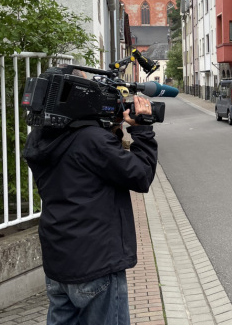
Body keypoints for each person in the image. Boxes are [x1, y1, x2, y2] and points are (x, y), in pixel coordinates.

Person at [24, 95, 158, 325]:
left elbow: (86, 166)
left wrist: (111, 130)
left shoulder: (40, 137)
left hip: (59, 261)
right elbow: (140, 175)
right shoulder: (91, 139)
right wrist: (143, 130)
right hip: (97, 261)